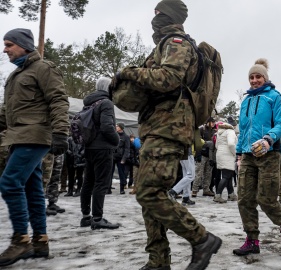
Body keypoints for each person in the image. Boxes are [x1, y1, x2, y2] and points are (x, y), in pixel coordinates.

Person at [112, 1, 222, 269]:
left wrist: (129, 72)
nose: (154, 18)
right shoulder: (163, 44)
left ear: (170, 16)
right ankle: (158, 260)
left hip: (168, 127)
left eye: (159, 13)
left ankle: (201, 238)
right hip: (158, 126)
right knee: (153, 194)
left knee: (148, 192)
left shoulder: (176, 41)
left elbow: (168, 79)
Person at [0, 28, 69, 267]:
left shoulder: (43, 68)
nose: (5, 49)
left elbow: (58, 100)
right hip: (18, 137)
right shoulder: (15, 76)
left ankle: (21, 240)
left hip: (36, 135)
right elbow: (6, 112)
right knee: (32, 189)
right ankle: (40, 242)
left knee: (9, 182)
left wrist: (61, 132)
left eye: (9, 44)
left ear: (23, 45)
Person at [233, 58, 281, 257]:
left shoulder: (274, 97)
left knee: (266, 199)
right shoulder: (246, 100)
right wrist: (240, 154)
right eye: (251, 77)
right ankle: (252, 240)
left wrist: (268, 139)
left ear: (265, 78)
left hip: (269, 153)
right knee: (244, 199)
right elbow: (243, 130)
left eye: (258, 76)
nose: (254, 80)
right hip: (249, 155)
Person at [80, 77, 120, 230]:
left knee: (88, 182)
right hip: (103, 148)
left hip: (89, 147)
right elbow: (107, 127)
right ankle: (97, 218)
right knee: (101, 183)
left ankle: (86, 217)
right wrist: (116, 141)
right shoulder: (106, 103)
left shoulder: (89, 102)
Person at [192, 117, 216, 197]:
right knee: (199, 173)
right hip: (201, 154)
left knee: (208, 174)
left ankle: (206, 189)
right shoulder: (201, 129)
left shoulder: (214, 131)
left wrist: (212, 158)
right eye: (212, 122)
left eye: (214, 122)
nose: (213, 124)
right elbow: (198, 142)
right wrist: (198, 155)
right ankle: (194, 190)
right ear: (208, 122)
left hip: (209, 155)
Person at [213, 122, 237, 203]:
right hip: (228, 155)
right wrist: (235, 153)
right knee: (226, 176)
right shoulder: (230, 132)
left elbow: (216, 145)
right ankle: (218, 195)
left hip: (219, 154)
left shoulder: (219, 133)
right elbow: (231, 144)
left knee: (228, 175)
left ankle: (231, 194)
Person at [110, 122, 130, 194]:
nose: (116, 127)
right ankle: (108, 188)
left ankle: (122, 189)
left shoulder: (126, 137)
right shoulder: (114, 135)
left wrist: (124, 159)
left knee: (122, 174)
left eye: (117, 126)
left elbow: (127, 149)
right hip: (112, 157)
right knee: (109, 173)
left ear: (121, 128)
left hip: (120, 158)